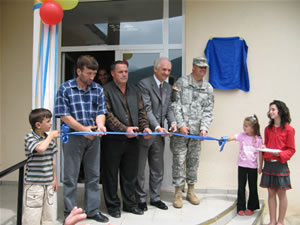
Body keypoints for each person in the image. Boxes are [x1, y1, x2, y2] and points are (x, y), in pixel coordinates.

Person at [55, 55, 108, 223]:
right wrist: (83, 129)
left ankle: (92, 210)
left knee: (93, 175)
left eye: (94, 74)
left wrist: (100, 125)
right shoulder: (65, 88)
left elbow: (101, 111)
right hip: (73, 137)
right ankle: (70, 212)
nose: (92, 77)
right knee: (70, 177)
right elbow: (64, 115)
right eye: (89, 73)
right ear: (79, 71)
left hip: (93, 138)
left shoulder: (98, 88)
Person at [101, 60, 152, 218]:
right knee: (110, 176)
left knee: (130, 175)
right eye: (120, 72)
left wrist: (145, 128)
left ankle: (130, 204)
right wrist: (124, 130)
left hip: (133, 140)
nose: (124, 74)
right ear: (113, 74)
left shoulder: (134, 90)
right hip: (112, 140)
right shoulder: (105, 90)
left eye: (126, 72)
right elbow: (107, 115)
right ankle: (113, 206)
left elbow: (141, 112)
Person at [170, 57, 214, 208]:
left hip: (196, 134)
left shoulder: (208, 88)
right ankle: (177, 193)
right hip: (181, 133)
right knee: (179, 161)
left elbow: (208, 111)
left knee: (193, 162)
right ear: (193, 67)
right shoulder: (181, 83)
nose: (203, 70)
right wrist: (181, 125)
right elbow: (174, 105)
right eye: (200, 67)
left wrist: (204, 128)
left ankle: (191, 191)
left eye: (205, 68)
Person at [135, 57, 177, 211]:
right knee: (140, 170)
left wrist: (172, 123)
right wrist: (158, 127)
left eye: (168, 70)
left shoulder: (168, 87)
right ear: (155, 69)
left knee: (157, 169)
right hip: (145, 133)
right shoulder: (144, 84)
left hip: (159, 136)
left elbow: (169, 109)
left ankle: (155, 198)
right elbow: (146, 109)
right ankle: (140, 199)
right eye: (164, 69)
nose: (166, 73)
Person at [259, 100, 295, 225]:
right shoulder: (267, 129)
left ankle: (280, 221)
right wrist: (264, 147)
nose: (270, 112)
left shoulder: (289, 130)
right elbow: (268, 145)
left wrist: (279, 154)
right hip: (269, 165)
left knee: (281, 194)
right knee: (271, 193)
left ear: (280, 111)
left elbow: (291, 150)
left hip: (280, 165)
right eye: (270, 110)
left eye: (273, 109)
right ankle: (272, 221)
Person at [22, 108, 59, 225]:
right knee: (32, 215)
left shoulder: (50, 140)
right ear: (38, 125)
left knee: (49, 215)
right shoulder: (30, 138)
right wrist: (50, 136)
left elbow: (52, 160)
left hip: (48, 184)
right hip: (34, 185)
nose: (51, 123)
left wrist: (55, 179)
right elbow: (41, 149)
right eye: (48, 121)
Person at [226, 115, 262, 216]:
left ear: (253, 127)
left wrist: (260, 166)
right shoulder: (241, 136)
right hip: (242, 166)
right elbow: (232, 137)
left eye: (247, 126)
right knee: (241, 187)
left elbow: (260, 153)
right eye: (244, 125)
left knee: (252, 187)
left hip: (253, 167)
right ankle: (241, 207)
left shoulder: (258, 139)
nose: (244, 127)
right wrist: (225, 139)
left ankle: (251, 207)